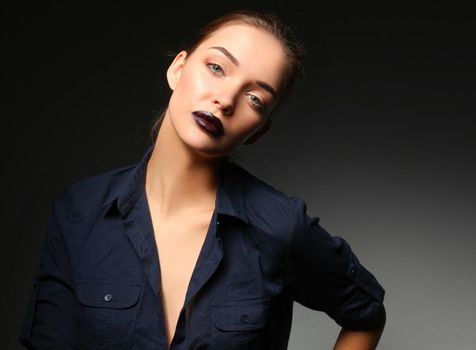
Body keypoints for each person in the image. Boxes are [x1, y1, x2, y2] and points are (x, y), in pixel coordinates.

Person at [19, 9, 386, 350]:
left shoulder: (278, 225)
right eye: (216, 67)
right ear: (178, 68)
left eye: (255, 99)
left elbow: (366, 313)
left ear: (259, 131)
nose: (226, 99)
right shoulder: (79, 212)